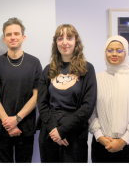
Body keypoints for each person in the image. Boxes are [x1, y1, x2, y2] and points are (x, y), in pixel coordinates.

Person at [0, 17, 42, 163]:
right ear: (4, 39)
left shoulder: (34, 63)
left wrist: (17, 119)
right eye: (9, 34)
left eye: (16, 33)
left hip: (26, 127)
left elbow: (37, 95)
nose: (13, 37)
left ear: (23, 37)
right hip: (1, 129)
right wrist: (7, 122)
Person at [37, 24, 97, 163]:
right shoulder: (48, 70)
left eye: (69, 37)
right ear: (55, 43)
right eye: (60, 38)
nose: (64, 42)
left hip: (74, 134)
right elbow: (42, 103)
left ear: (76, 41)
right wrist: (55, 130)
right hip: (50, 134)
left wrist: (63, 130)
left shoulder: (87, 69)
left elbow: (87, 106)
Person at [89, 35, 129, 163]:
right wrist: (100, 137)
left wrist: (123, 140)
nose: (114, 54)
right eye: (110, 50)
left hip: (127, 144)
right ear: (105, 53)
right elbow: (90, 111)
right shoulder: (96, 79)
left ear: (126, 52)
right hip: (101, 144)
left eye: (119, 50)